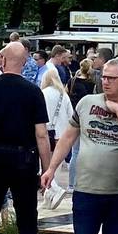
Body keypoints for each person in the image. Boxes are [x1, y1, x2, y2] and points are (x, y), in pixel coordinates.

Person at [41, 57, 118, 234]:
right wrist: (51, 168)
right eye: (104, 77)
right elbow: (67, 138)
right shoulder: (87, 102)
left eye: (111, 78)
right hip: (86, 189)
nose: (106, 82)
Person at [0, 42, 50, 234]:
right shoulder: (33, 91)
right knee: (27, 218)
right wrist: (47, 169)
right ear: (25, 62)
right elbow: (41, 134)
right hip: (24, 159)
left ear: (3, 60)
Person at [42, 68, 72, 204]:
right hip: (61, 133)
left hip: (47, 131)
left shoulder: (43, 93)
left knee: (46, 164)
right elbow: (71, 114)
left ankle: (53, 189)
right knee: (56, 164)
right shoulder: (63, 94)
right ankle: (51, 191)